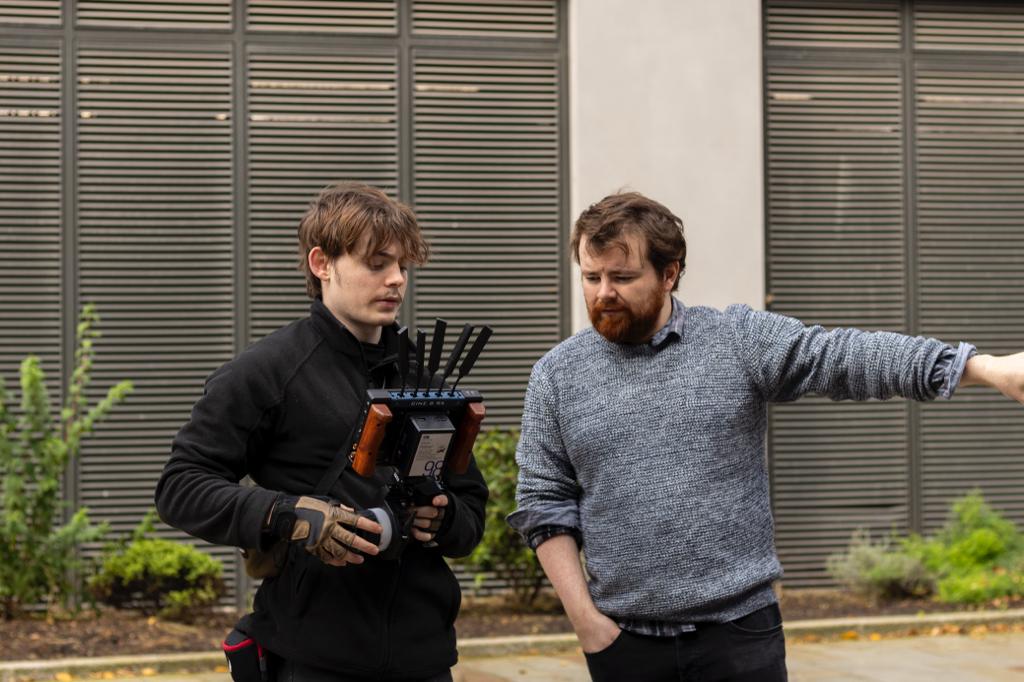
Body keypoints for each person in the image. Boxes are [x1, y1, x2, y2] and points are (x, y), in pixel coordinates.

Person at [507, 191, 1024, 682]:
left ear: (670, 274)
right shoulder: (557, 375)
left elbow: (845, 356)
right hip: (624, 646)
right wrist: (587, 624)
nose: (603, 293)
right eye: (591, 276)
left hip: (740, 638)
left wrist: (982, 368)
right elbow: (543, 501)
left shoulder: (735, 340)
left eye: (622, 276)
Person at [155, 182, 488, 682]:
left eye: (402, 265)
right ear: (321, 263)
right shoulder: (267, 372)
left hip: (426, 659)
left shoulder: (425, 381)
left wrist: (441, 521)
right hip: (312, 658)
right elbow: (180, 487)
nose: (396, 279)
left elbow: (471, 511)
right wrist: (287, 514)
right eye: (376, 263)